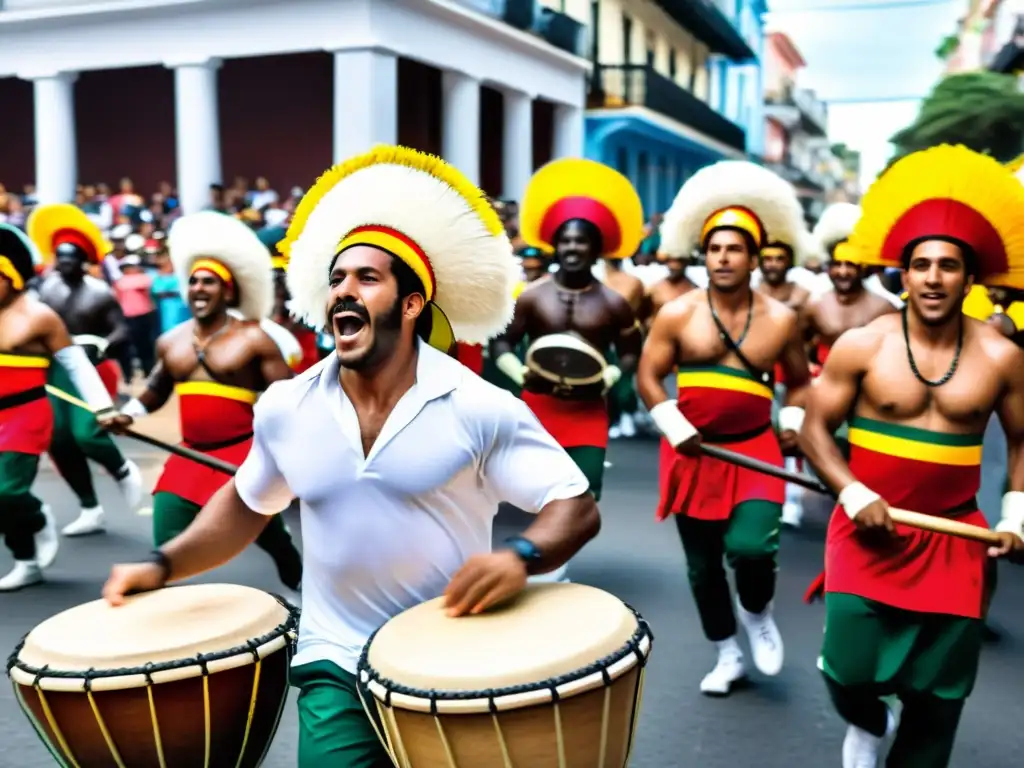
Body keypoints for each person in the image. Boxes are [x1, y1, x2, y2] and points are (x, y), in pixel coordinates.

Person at [102, 145, 600, 767]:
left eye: (367, 278)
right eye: (336, 278)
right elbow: (244, 504)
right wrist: (162, 563)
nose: (343, 290)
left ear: (412, 303)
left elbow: (574, 506)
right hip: (333, 659)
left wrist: (521, 556)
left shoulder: (478, 404)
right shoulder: (288, 405)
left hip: (453, 660)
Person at [798, 144, 1024, 768]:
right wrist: (852, 491)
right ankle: (867, 722)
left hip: (957, 537)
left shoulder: (1003, 358)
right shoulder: (861, 345)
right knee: (846, 672)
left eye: (948, 265)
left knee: (938, 701)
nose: (932, 277)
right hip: (867, 531)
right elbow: (816, 428)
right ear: (901, 273)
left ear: (969, 278)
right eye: (920, 264)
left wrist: (1018, 513)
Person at [637, 160, 811, 695]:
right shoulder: (677, 313)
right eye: (714, 249)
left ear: (755, 258)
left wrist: (793, 420)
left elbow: (800, 383)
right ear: (703, 254)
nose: (722, 258)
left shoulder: (781, 319)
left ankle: (757, 611)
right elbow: (648, 375)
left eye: (734, 249)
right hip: (692, 455)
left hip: (755, 451)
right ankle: (727, 653)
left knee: (754, 550)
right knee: (703, 567)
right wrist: (670, 422)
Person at [117, 211, 303, 591]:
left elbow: (290, 398)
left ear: (229, 291)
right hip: (190, 456)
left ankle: (304, 591)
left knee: (273, 539)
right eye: (194, 282)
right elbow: (154, 391)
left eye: (210, 282)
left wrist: (287, 454)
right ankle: (166, 611)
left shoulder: (255, 339)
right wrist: (127, 413)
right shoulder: (171, 342)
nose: (199, 289)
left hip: (242, 458)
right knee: (165, 541)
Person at [490, 157, 644, 518]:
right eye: (566, 242)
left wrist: (610, 375)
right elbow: (501, 343)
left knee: (582, 494)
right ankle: (544, 561)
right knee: (535, 495)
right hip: (538, 405)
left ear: (596, 249)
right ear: (555, 247)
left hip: (587, 409)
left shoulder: (614, 303)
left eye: (582, 242)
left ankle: (558, 562)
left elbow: (630, 352)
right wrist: (518, 372)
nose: (573, 249)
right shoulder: (531, 296)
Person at [0, 223, 131, 591]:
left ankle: (35, 521)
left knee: (7, 492)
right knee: (4, 498)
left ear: (9, 277)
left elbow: (75, 364)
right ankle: (27, 550)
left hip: (26, 414)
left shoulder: (39, 316)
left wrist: (103, 408)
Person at [28, 203, 144, 537]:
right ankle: (89, 506)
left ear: (83, 262)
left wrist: (102, 344)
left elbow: (122, 330)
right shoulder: (44, 290)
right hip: (53, 368)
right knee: (57, 438)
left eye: (70, 258)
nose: (63, 263)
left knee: (86, 432)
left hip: (89, 367)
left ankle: (121, 469)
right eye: (59, 257)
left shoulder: (100, 293)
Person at [756, 232, 818, 526]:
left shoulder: (804, 298)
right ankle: (762, 496)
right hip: (759, 377)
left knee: (793, 440)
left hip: (793, 378)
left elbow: (813, 338)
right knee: (759, 439)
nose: (773, 264)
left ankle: (792, 500)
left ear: (789, 262)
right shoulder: (750, 294)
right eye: (767, 258)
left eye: (779, 259)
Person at [805, 203, 898, 369]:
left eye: (850, 265)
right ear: (828, 267)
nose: (843, 272)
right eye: (837, 264)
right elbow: (798, 347)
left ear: (862, 268)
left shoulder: (885, 308)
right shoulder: (814, 306)